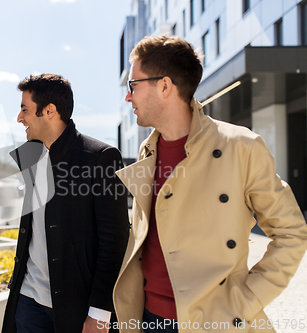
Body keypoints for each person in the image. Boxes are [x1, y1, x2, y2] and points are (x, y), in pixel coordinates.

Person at [113, 34, 307, 333]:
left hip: (213, 323)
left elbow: (291, 232)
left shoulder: (240, 146)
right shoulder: (147, 150)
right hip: (148, 318)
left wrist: (243, 303)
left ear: (164, 86)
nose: (128, 97)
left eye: (133, 85)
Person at [2, 74, 130, 333]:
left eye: (24, 109)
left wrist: (100, 312)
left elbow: (115, 241)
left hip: (77, 309)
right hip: (27, 303)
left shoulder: (100, 158)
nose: (19, 118)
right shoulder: (31, 156)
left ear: (49, 111)